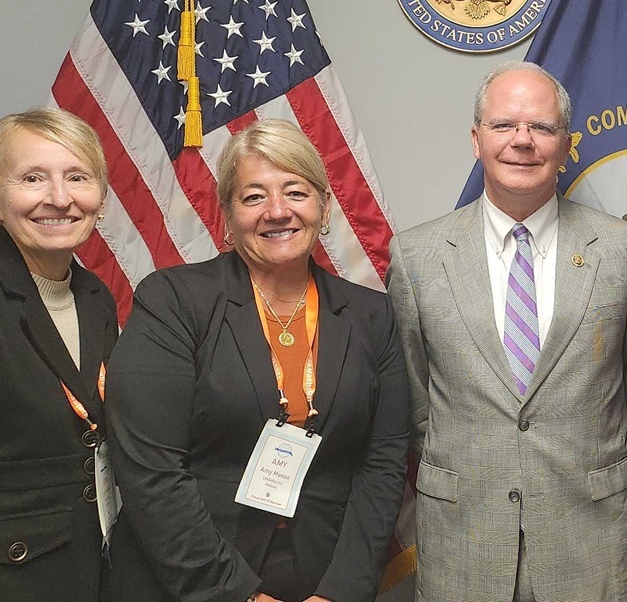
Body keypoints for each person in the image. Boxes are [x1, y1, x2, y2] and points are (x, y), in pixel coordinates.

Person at [386, 61, 627, 602]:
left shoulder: (626, 254)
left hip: (590, 535)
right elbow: (417, 400)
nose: (523, 141)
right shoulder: (417, 256)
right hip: (464, 536)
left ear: (567, 145)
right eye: (503, 126)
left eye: (542, 127)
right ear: (476, 139)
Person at [103, 120, 409, 602]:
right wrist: (235, 594)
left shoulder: (372, 315)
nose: (278, 211)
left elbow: (384, 462)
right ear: (226, 214)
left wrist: (340, 591)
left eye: (295, 191)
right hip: (186, 579)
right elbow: (151, 467)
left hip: (321, 577)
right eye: (253, 197)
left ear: (324, 206)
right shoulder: (172, 302)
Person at [0, 109, 116, 601]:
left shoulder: (96, 297)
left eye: (77, 177)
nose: (60, 198)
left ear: (101, 197)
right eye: (32, 178)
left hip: (86, 566)